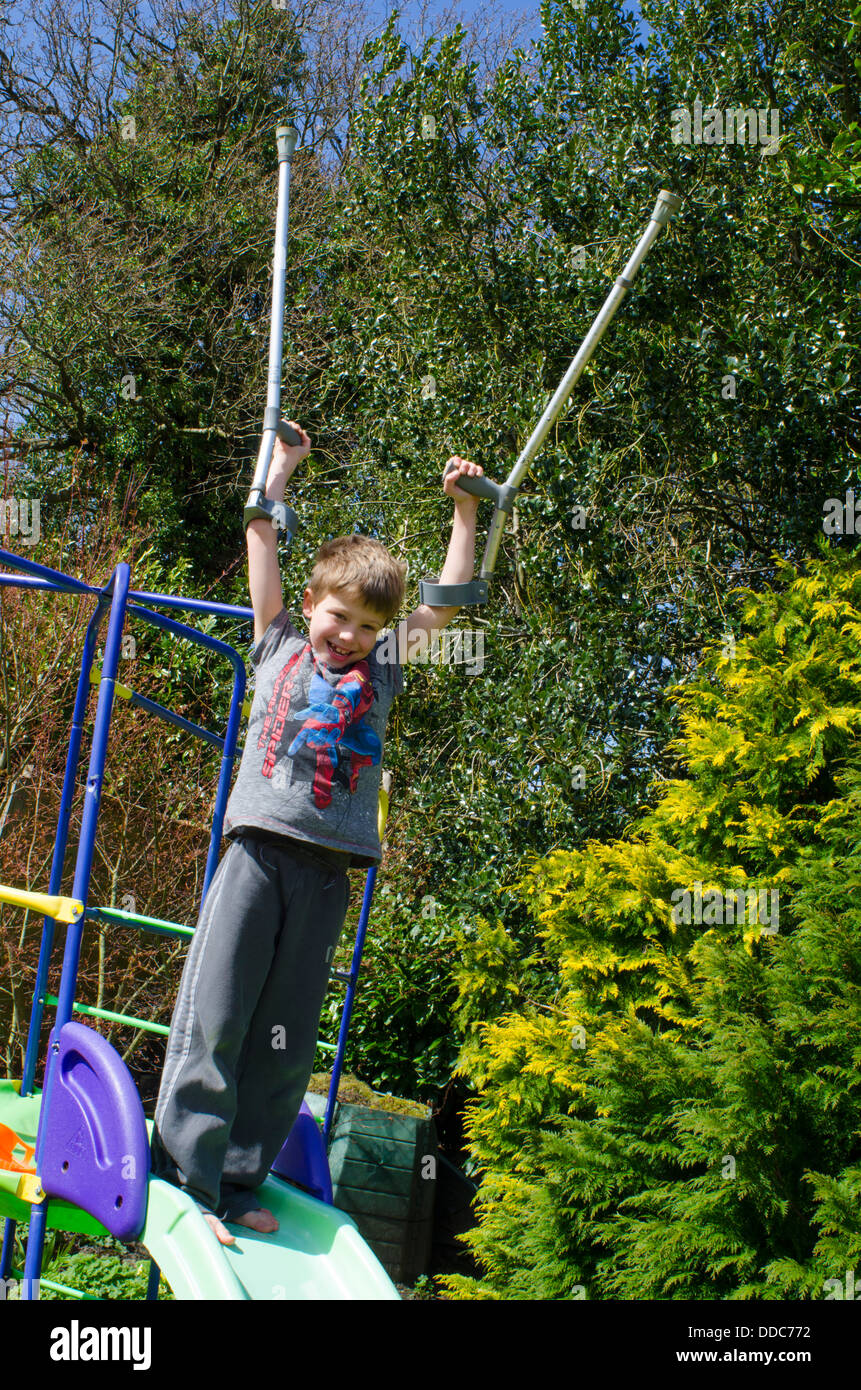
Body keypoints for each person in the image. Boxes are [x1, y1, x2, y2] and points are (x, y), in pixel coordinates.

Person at [150, 422, 484, 1244]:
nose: (350, 636)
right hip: (257, 853)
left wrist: (465, 516)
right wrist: (281, 468)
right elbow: (260, 528)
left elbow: (445, 601)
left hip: (327, 871)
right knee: (220, 1012)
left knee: (286, 1036)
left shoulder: (385, 673)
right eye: (340, 617)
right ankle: (184, 1172)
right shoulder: (276, 647)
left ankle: (234, 1180)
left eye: (368, 626)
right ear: (310, 606)